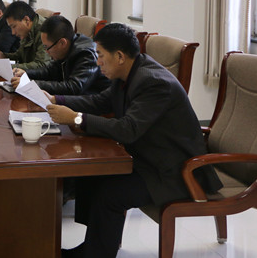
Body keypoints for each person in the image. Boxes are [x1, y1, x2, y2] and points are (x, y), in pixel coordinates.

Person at [45, 23, 221, 258]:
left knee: (110, 193)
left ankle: (97, 253)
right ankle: (93, 247)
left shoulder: (153, 82)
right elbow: (100, 101)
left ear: (119, 56)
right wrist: (56, 99)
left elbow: (128, 129)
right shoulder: (128, 71)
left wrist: (76, 118)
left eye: (101, 55)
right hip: (148, 157)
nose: (98, 62)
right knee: (91, 176)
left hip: (174, 170)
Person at [11, 15, 109, 95]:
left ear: (62, 43)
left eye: (47, 47)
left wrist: (30, 84)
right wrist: (26, 74)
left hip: (94, 105)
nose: (46, 52)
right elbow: (50, 71)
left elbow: (73, 88)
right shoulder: (67, 47)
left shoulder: (86, 53)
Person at [0, 1, 51, 71]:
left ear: (26, 20)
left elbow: (42, 65)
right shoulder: (27, 31)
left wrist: (7, 67)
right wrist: (3, 56)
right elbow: (20, 56)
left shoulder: (44, 31)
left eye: (14, 26)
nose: (13, 32)